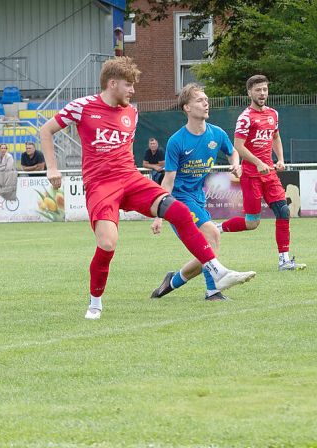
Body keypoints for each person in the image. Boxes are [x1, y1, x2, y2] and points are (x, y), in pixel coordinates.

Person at [38, 56, 255, 320]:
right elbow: (46, 131)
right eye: (128, 85)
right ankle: (95, 302)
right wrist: (52, 167)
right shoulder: (82, 107)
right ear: (112, 83)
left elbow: (125, 148)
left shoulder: (132, 112)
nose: (132, 91)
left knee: (179, 212)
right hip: (101, 185)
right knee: (107, 244)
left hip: (130, 178)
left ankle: (217, 272)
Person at [149, 84, 242, 301]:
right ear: (187, 108)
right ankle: (212, 291)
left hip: (198, 198)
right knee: (212, 234)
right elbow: (168, 180)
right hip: (179, 200)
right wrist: (158, 215)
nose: (206, 103)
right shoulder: (177, 141)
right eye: (200, 100)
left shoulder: (216, 134)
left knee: (208, 249)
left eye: (206, 99)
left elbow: (232, 152)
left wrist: (236, 164)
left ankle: (172, 282)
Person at [221, 75, 306, 271]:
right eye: (258, 90)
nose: (262, 94)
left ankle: (284, 260)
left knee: (284, 212)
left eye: (265, 90)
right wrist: (258, 163)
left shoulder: (273, 114)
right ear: (249, 92)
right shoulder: (245, 118)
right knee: (252, 223)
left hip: (269, 174)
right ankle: (216, 228)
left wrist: (281, 159)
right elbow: (238, 147)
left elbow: (276, 137)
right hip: (251, 175)